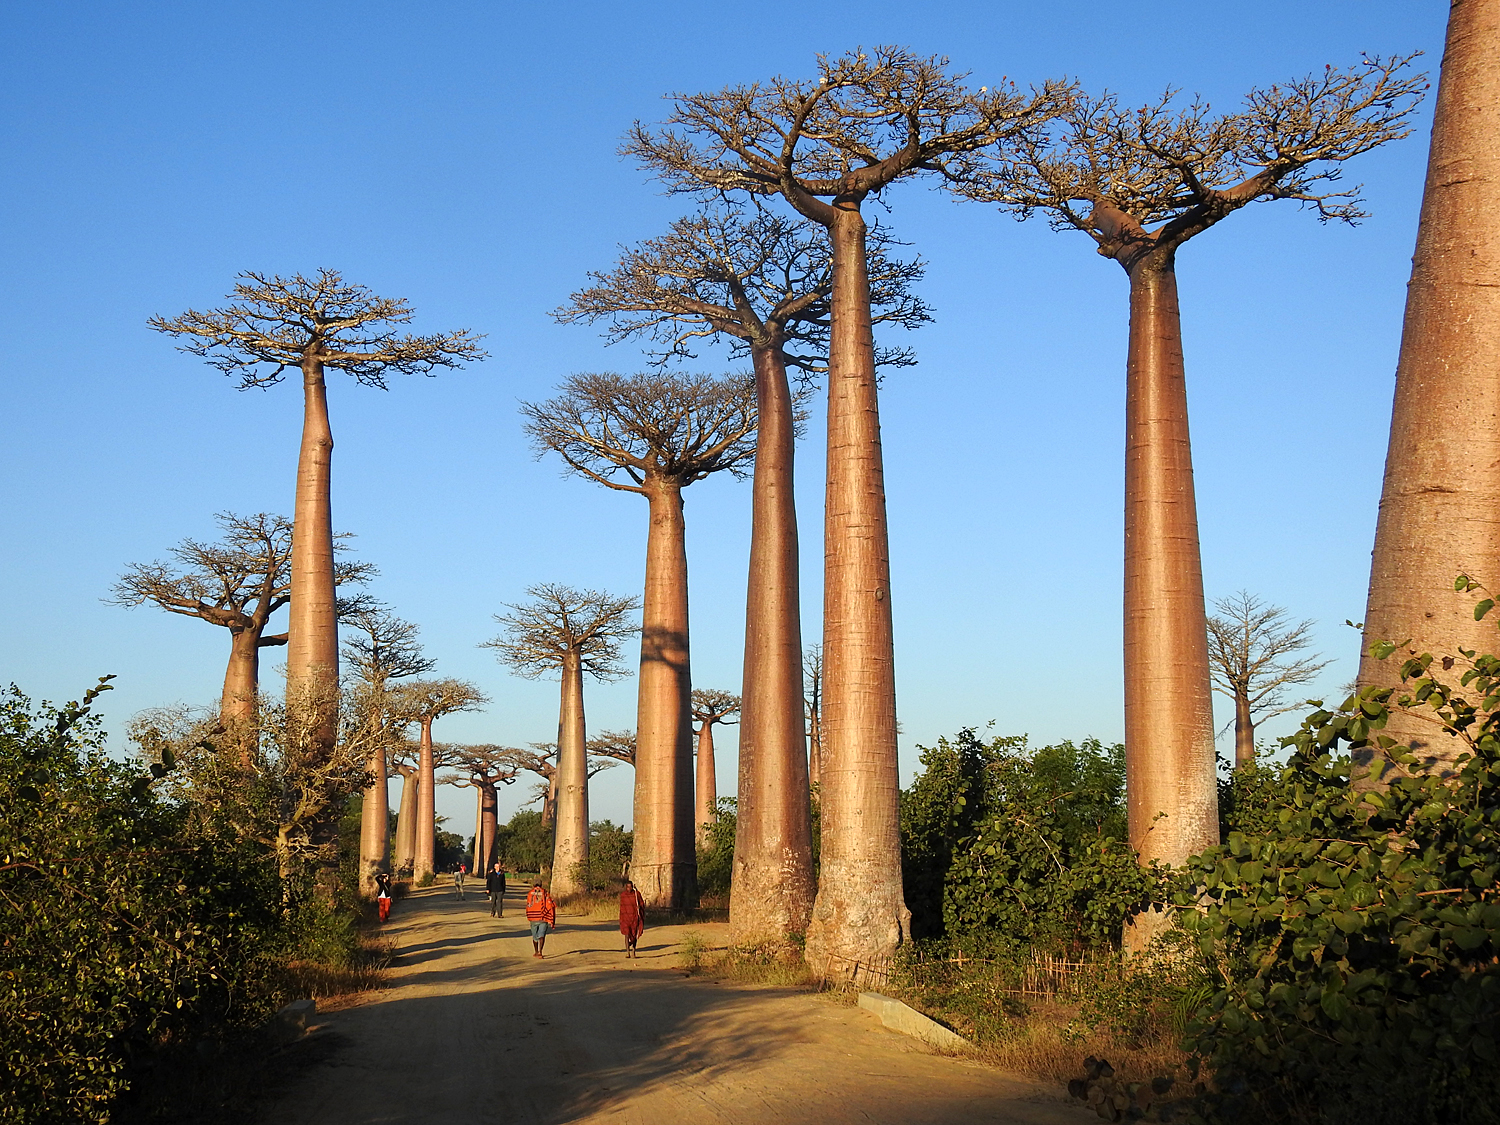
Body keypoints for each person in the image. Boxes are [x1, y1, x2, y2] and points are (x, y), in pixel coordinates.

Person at [525, 881, 556, 957]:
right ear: (541, 884)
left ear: (533, 884)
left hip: (533, 918)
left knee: (535, 936)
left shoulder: (530, 893)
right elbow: (550, 904)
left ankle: (536, 951)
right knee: (542, 935)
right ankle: (540, 952)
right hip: (543, 917)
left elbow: (528, 905)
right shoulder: (545, 892)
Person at [618, 880, 646, 958]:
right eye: (627, 887)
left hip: (634, 917)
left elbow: (641, 904)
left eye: (630, 887)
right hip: (625, 918)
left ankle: (633, 950)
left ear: (632, 887)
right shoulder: (623, 895)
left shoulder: (637, 894)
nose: (629, 888)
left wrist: (639, 907)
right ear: (625, 887)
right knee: (626, 934)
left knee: (634, 935)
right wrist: (622, 918)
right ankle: (628, 952)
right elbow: (622, 907)